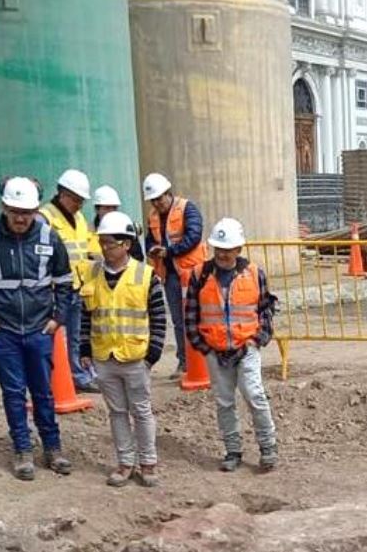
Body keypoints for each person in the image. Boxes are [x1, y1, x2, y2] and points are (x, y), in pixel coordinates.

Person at [0, 176, 73, 481]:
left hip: (39, 329)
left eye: (27, 212)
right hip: (2, 331)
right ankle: (22, 449)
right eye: (14, 211)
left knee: (44, 392)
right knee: (13, 393)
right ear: (3, 207)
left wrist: (57, 319)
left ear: (36, 210)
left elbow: (64, 282)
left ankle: (53, 447)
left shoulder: (49, 237)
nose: (21, 218)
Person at [78, 211, 164, 487]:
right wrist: (84, 349)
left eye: (110, 243)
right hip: (105, 356)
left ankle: (148, 463)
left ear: (126, 244)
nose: (104, 248)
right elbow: (85, 314)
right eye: (102, 242)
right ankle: (125, 462)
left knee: (141, 410)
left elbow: (159, 316)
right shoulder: (93, 273)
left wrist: (153, 353)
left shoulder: (145, 275)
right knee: (116, 412)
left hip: (135, 356)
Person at [184, 217, 278, 473]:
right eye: (220, 249)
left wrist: (257, 340)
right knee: (224, 402)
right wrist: (203, 346)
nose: (224, 254)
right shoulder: (200, 275)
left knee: (254, 395)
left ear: (239, 249)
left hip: (246, 347)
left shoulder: (254, 274)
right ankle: (232, 450)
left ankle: (268, 446)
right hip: (215, 350)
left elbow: (266, 310)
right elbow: (190, 314)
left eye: (229, 249)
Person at [41, 168, 99, 394]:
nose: (79, 205)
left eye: (82, 201)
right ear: (63, 194)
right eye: (76, 200)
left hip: (76, 286)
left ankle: (77, 376)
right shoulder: (45, 217)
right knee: (51, 335)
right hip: (53, 288)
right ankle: (50, 379)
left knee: (76, 336)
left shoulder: (78, 218)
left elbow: (87, 245)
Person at [141, 172, 204, 380]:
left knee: (196, 318)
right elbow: (150, 240)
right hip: (171, 275)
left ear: (168, 194)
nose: (156, 204)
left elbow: (194, 236)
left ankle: (203, 360)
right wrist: (151, 250)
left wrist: (169, 251)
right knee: (178, 321)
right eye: (153, 200)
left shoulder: (187, 209)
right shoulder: (153, 216)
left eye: (159, 199)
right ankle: (184, 362)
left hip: (192, 273)